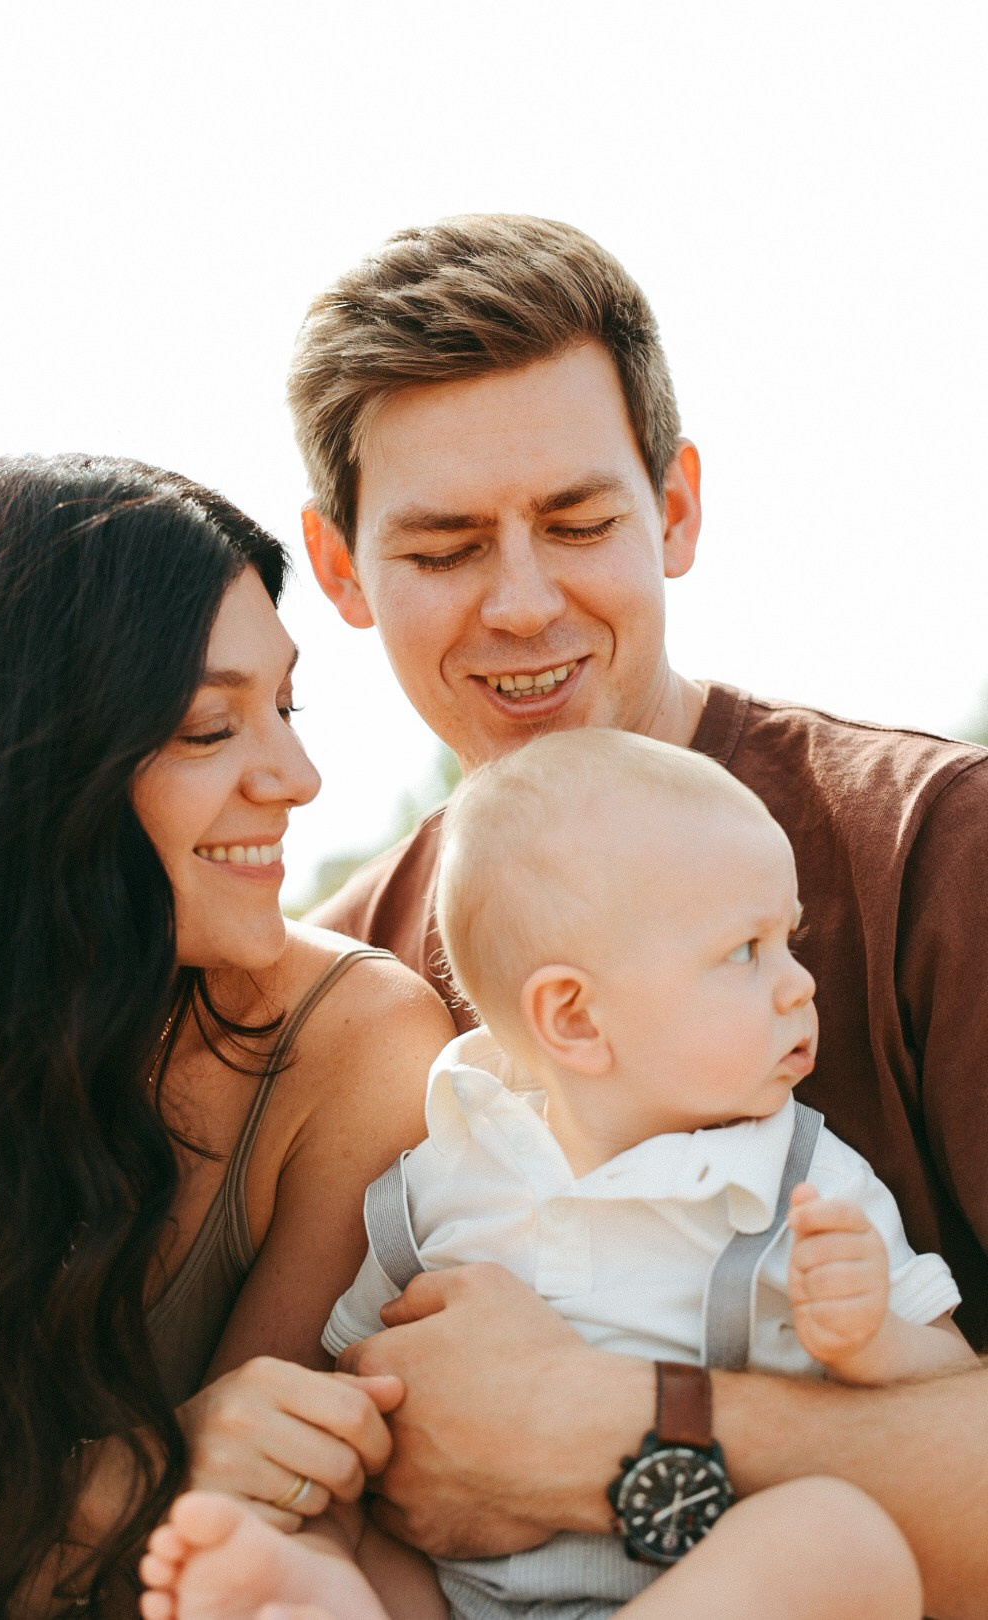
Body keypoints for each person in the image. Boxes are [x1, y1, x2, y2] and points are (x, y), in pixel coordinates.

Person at [287, 214, 988, 1615]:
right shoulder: (347, 989)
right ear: (343, 569)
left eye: (579, 521)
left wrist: (616, 1427)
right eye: (443, 547)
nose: (525, 602)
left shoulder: (932, 855)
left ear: (674, 507)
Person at [136, 729, 961, 1619]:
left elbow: (943, 1386)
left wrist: (875, 1337)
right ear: (572, 1018)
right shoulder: (450, 1166)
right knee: (327, 1504)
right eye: (745, 952)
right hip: (458, 1590)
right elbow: (354, 1374)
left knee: (839, 1539)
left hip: (690, 1591)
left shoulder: (803, 1182)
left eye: (789, 943)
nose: (800, 986)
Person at [0, 455, 455, 1619]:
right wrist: (129, 1480)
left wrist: (177, 1493)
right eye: (212, 727)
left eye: (286, 707)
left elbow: (253, 1548)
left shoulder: (351, 1044)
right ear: (40, 765)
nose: (297, 777)